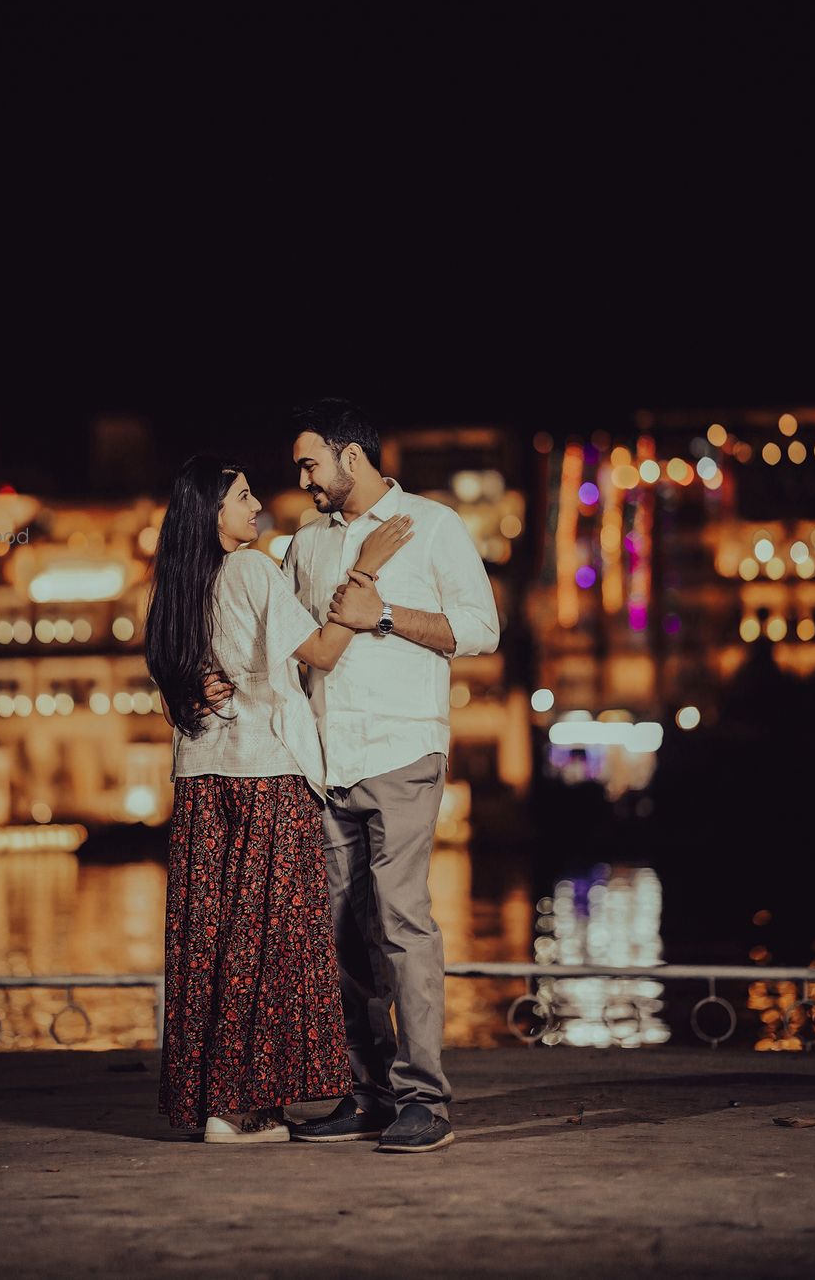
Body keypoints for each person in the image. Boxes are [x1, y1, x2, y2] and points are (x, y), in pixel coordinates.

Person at [143, 453, 414, 1144]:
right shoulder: (253, 569)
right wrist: (366, 575)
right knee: (265, 944)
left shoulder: (176, 587)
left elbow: (176, 675)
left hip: (201, 781)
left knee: (209, 941)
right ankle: (243, 1109)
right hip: (266, 772)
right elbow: (321, 649)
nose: (255, 503)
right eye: (240, 495)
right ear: (213, 511)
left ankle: (213, 1100)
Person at [279, 399, 501, 1153]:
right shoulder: (305, 545)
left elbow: (479, 629)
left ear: (350, 455)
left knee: (404, 922)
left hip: (404, 749)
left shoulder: (433, 525)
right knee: (345, 933)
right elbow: (297, 643)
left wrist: (384, 615)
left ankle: (425, 1099)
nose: (302, 476)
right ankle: (366, 1091)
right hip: (328, 758)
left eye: (310, 462)